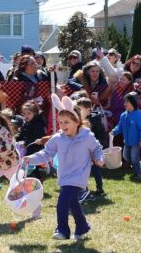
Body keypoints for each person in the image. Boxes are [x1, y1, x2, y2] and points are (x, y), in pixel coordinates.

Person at [24, 96, 104, 240]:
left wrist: (99, 158)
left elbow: (97, 148)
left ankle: (62, 230)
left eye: (66, 122)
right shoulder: (58, 138)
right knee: (73, 202)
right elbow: (46, 153)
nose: (62, 125)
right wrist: (31, 159)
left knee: (63, 200)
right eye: (60, 122)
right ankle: (82, 226)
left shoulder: (86, 136)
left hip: (79, 176)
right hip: (64, 176)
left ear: (77, 122)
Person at [74, 97, 106, 200]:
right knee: (83, 170)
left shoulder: (94, 119)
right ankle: (84, 188)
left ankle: (99, 188)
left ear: (87, 109)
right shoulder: (78, 120)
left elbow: (100, 134)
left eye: (80, 109)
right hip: (83, 150)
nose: (78, 111)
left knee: (95, 169)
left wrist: (97, 149)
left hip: (92, 148)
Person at [110, 92, 141, 179]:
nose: (124, 103)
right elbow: (120, 126)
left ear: (133, 103)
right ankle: (138, 164)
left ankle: (138, 173)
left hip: (136, 142)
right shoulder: (123, 115)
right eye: (124, 101)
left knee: (134, 157)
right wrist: (114, 131)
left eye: (127, 102)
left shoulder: (138, 115)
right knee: (126, 156)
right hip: (127, 141)